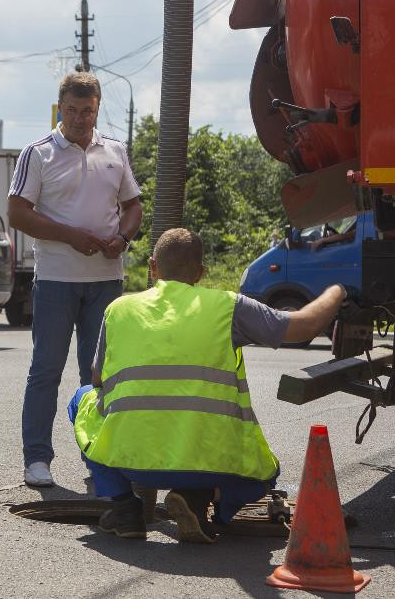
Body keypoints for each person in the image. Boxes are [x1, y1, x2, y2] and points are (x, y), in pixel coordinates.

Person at [70, 228, 346, 543]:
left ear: (152, 267)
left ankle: (124, 508)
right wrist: (336, 291)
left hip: (131, 464)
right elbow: (305, 325)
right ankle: (204, 500)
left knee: (80, 399)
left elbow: (97, 379)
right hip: (212, 464)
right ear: (201, 273)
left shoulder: (118, 310)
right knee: (265, 474)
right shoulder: (228, 307)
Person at [8, 70, 142, 488]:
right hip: (55, 280)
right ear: (60, 107)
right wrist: (71, 237)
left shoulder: (115, 150)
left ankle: (98, 456)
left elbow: (134, 206)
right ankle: (37, 459)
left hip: (106, 279)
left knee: (99, 372)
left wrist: (122, 237)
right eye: (72, 110)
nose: (81, 119)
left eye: (88, 111)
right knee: (46, 369)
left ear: (98, 107)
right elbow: (18, 213)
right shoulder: (39, 152)